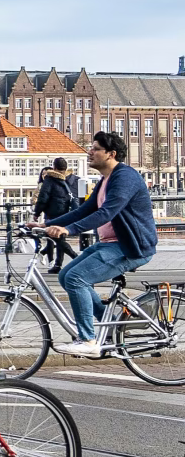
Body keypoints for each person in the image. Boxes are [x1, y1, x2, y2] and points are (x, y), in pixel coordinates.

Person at [44, 130, 158, 357]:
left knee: (78, 278)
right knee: (66, 276)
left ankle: (88, 341)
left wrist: (68, 230)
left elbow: (107, 212)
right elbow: (84, 211)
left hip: (130, 247)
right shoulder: (106, 179)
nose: (90, 152)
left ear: (111, 154)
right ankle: (112, 326)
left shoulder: (125, 177)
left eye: (95, 148)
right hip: (111, 243)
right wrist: (44, 225)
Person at [33, 157, 79, 273]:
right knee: (60, 238)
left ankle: (77, 258)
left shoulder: (50, 179)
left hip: (53, 214)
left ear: (54, 167)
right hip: (66, 213)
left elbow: (43, 198)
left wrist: (37, 213)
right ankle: (57, 265)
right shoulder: (70, 179)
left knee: (57, 240)